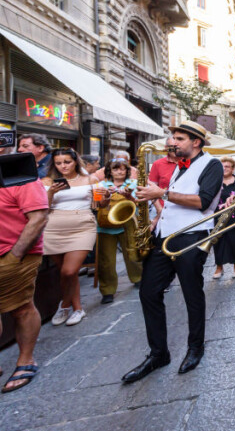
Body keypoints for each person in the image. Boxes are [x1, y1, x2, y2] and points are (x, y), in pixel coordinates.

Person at [122, 121, 223, 383]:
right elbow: (172, 200)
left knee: (192, 294)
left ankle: (195, 347)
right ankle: (158, 353)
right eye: (173, 138)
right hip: (164, 236)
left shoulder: (212, 164)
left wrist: (163, 192)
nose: (172, 143)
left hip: (191, 236)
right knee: (148, 292)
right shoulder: (180, 166)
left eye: (179, 138)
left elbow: (203, 202)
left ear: (196, 142)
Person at [0, 156, 49, 393]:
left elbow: (38, 217)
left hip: (13, 253)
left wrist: (16, 254)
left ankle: (26, 360)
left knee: (21, 307)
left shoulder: (21, 175)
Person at [41, 148, 99, 326]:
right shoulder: (47, 180)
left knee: (70, 270)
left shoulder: (91, 179)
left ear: (75, 161)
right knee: (65, 273)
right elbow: (43, 208)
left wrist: (105, 197)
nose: (63, 166)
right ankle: (77, 308)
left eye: (67, 162)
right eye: (58, 163)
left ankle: (64, 304)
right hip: (53, 227)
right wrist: (50, 192)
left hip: (82, 225)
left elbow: (99, 204)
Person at [95, 158, 142, 304]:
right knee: (106, 260)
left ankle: (138, 278)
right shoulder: (100, 185)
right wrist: (106, 196)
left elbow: (140, 202)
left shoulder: (134, 184)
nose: (119, 172)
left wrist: (128, 195)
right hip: (106, 225)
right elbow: (97, 204)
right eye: (116, 169)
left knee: (133, 252)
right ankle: (107, 290)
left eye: (122, 169)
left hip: (128, 222)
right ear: (109, 171)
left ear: (127, 171)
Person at [211, 156, 235, 279]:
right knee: (218, 242)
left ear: (233, 169)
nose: (224, 169)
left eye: (227, 166)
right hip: (218, 216)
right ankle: (219, 267)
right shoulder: (215, 180)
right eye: (222, 166)